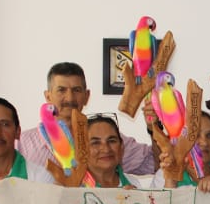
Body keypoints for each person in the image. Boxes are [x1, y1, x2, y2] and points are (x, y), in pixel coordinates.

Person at [18, 62, 155, 175]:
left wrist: (153, 127)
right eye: (61, 90)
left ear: (87, 96)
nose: (70, 98)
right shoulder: (23, 143)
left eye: (76, 90)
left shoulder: (108, 142)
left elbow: (154, 163)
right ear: (48, 96)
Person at [152, 112, 210, 192]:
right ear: (181, 140)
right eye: (195, 135)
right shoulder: (163, 176)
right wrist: (171, 182)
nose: (204, 143)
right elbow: (156, 200)